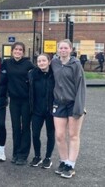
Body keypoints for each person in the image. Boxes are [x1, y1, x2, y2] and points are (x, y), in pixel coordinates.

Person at [51, 39, 86, 179]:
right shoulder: (54, 63)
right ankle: (64, 161)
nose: (63, 50)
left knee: (73, 135)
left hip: (74, 104)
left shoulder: (76, 64)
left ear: (70, 49)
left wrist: (80, 106)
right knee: (59, 135)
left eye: (66, 48)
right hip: (59, 103)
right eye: (61, 48)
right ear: (58, 50)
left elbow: (81, 87)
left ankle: (71, 165)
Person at [0, 41, 35, 165]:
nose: (18, 51)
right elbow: (2, 80)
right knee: (15, 127)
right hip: (14, 100)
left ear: (23, 52)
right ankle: (15, 153)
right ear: (12, 51)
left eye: (20, 50)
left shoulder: (28, 64)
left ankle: (23, 155)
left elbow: (36, 77)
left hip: (26, 101)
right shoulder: (7, 63)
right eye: (15, 49)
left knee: (25, 127)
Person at [28, 54, 55, 169]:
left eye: (44, 60)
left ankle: (48, 158)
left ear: (49, 62)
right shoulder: (32, 74)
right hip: (37, 110)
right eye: (39, 61)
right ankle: (37, 156)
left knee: (50, 134)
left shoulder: (54, 74)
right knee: (35, 134)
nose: (41, 63)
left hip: (50, 111)